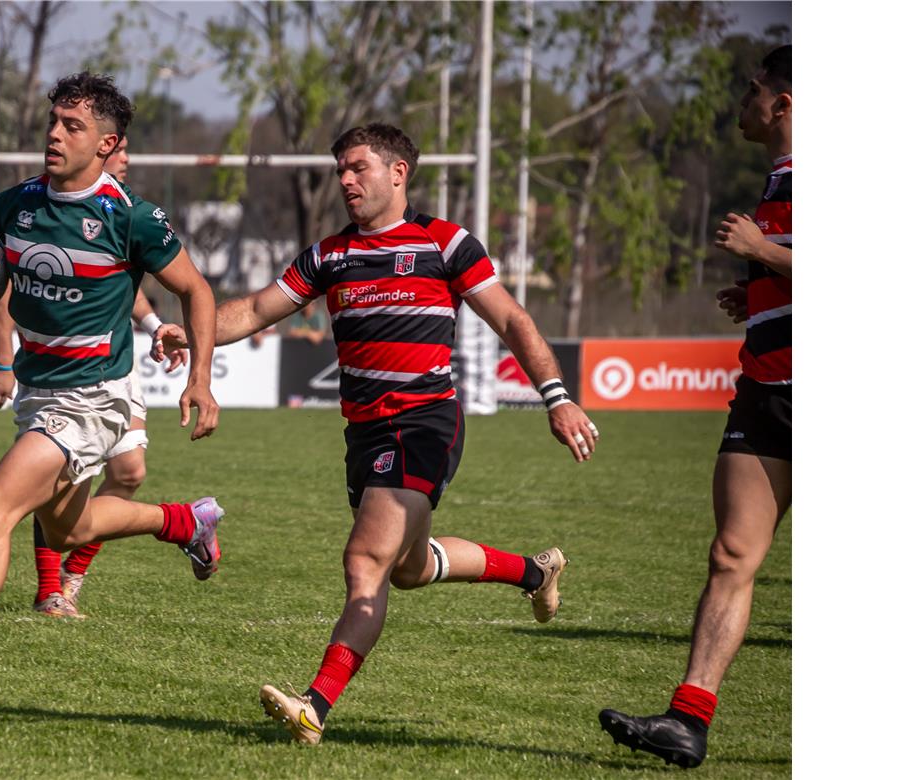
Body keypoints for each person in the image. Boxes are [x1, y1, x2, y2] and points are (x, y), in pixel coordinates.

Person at [163, 123, 598, 745]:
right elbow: (257, 310)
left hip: (424, 423)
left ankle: (314, 708)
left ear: (398, 173)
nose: (345, 180)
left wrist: (557, 399)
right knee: (410, 568)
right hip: (364, 435)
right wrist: (195, 333)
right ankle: (533, 572)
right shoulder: (329, 255)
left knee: (365, 559)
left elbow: (512, 319)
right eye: (341, 168)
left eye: (358, 167)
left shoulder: (445, 244)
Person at [0, 72, 222, 713]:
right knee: (70, 526)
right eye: (53, 121)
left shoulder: (131, 217)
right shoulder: (16, 203)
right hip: (39, 393)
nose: (54, 134)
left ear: (108, 144)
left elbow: (197, 290)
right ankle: (185, 521)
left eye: (72, 126)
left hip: (94, 399)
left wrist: (199, 380)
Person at [598, 45, 792, 770]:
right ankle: (688, 721)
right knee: (731, 554)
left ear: (784, 103)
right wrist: (762, 291)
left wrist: (762, 251)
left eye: (754, 90)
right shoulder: (776, 180)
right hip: (767, 389)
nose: (743, 102)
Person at [0, 133, 185, 620]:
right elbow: (3, 290)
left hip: (109, 368)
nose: (127, 162)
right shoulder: (36, 207)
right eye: (121, 154)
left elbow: (123, 282)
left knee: (129, 473)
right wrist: (4, 361)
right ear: (99, 150)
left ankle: (166, 528)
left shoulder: (124, 213)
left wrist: (156, 327)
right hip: (52, 372)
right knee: (42, 486)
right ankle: (54, 587)